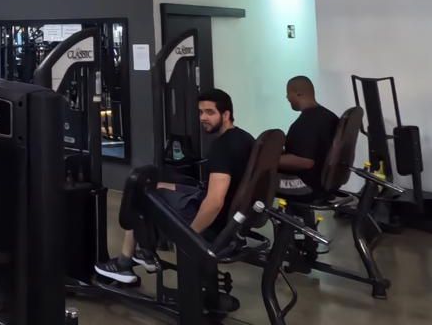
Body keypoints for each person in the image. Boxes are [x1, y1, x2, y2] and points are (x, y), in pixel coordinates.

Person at [95, 89, 255, 284]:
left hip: (214, 222)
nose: (203, 118)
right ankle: (146, 251)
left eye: (210, 112)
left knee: (140, 193)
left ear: (226, 114)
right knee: (154, 185)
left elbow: (214, 203)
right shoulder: (245, 138)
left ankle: (124, 263)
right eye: (200, 112)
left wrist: (189, 238)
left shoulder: (222, 147)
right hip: (220, 211)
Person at [278, 76, 340, 198]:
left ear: (298, 93)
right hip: (325, 182)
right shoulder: (328, 116)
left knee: (258, 182)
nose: (287, 97)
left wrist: (266, 160)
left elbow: (305, 162)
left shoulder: (306, 123)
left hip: (306, 185)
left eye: (288, 93)